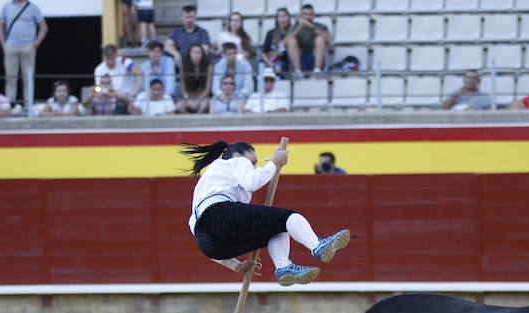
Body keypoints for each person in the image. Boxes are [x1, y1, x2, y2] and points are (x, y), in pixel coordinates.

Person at [181, 140, 350, 286]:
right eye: (253, 162)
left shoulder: (205, 187)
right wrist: (275, 162)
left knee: (275, 228)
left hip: (209, 246)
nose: (253, 166)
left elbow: (199, 231)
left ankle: (284, 267)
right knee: (288, 217)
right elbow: (252, 182)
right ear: (238, 155)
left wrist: (235, 266)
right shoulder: (237, 162)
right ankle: (317, 245)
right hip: (221, 215)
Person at [0, 0, 47, 105]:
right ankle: (10, 104)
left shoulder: (32, 7)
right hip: (11, 47)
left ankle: (28, 106)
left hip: (27, 47)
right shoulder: (7, 6)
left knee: (28, 78)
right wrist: (3, 44)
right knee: (10, 77)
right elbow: (0, 25)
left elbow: (43, 26)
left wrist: (36, 43)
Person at [283, 4, 331, 77]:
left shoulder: (320, 26)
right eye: (305, 14)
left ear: (313, 15)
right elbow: (285, 43)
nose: (308, 17)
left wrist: (312, 27)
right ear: (301, 16)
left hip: (315, 57)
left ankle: (317, 71)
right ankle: (298, 72)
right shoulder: (294, 27)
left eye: (310, 14)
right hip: (299, 58)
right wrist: (299, 28)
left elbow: (329, 40)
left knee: (320, 39)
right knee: (291, 41)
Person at [94, 43, 142, 109]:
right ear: (103, 56)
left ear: (116, 55)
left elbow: (139, 74)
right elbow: (98, 89)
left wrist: (133, 92)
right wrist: (115, 94)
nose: (110, 61)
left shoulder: (124, 61)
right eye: (108, 59)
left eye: (112, 58)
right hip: (110, 97)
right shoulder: (99, 69)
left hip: (129, 96)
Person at [164, 5, 210, 70]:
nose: (189, 20)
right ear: (182, 18)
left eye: (191, 17)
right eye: (187, 17)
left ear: (195, 17)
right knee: (166, 55)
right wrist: (176, 54)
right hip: (180, 62)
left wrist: (194, 58)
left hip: (197, 62)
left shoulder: (202, 32)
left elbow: (205, 50)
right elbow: (167, 46)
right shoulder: (176, 31)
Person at [176, 44, 211, 114]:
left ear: (202, 54)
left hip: (202, 97)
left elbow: (208, 89)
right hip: (188, 97)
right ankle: (189, 118)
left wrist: (199, 99)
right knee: (179, 106)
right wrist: (187, 98)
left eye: (199, 52)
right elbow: (182, 89)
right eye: (193, 52)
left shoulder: (208, 67)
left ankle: (197, 118)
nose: (196, 55)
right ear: (189, 54)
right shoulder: (183, 67)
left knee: (204, 105)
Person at [260, 7, 292, 78]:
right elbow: (263, 53)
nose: (283, 19)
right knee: (262, 68)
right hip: (270, 62)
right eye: (280, 17)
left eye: (285, 16)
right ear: (277, 19)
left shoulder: (292, 33)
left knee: (279, 67)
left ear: (289, 18)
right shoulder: (271, 33)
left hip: (283, 63)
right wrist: (271, 64)